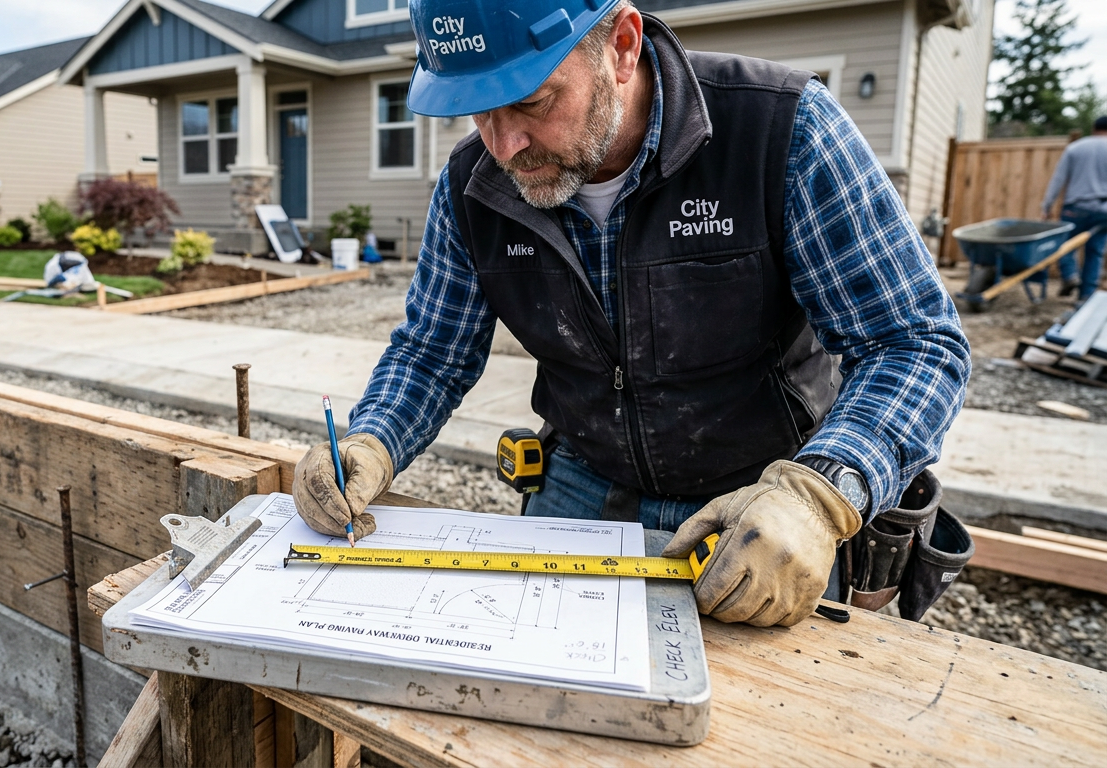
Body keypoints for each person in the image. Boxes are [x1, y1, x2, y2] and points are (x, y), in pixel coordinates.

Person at [293, 0, 969, 628]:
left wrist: (821, 495)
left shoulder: (780, 130)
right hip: (584, 474)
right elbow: (432, 353)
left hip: (766, 497)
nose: (503, 145)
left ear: (621, 45)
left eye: (530, 101)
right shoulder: (474, 184)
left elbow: (912, 342)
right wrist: (372, 440)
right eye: (476, 111)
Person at [1043, 115, 1107, 301]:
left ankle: (1070, 275)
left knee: (1063, 245)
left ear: (1094, 129)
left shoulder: (1076, 148)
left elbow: (1058, 180)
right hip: (1103, 211)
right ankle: (1086, 296)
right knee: (1094, 252)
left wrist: (1047, 205)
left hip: (1075, 208)